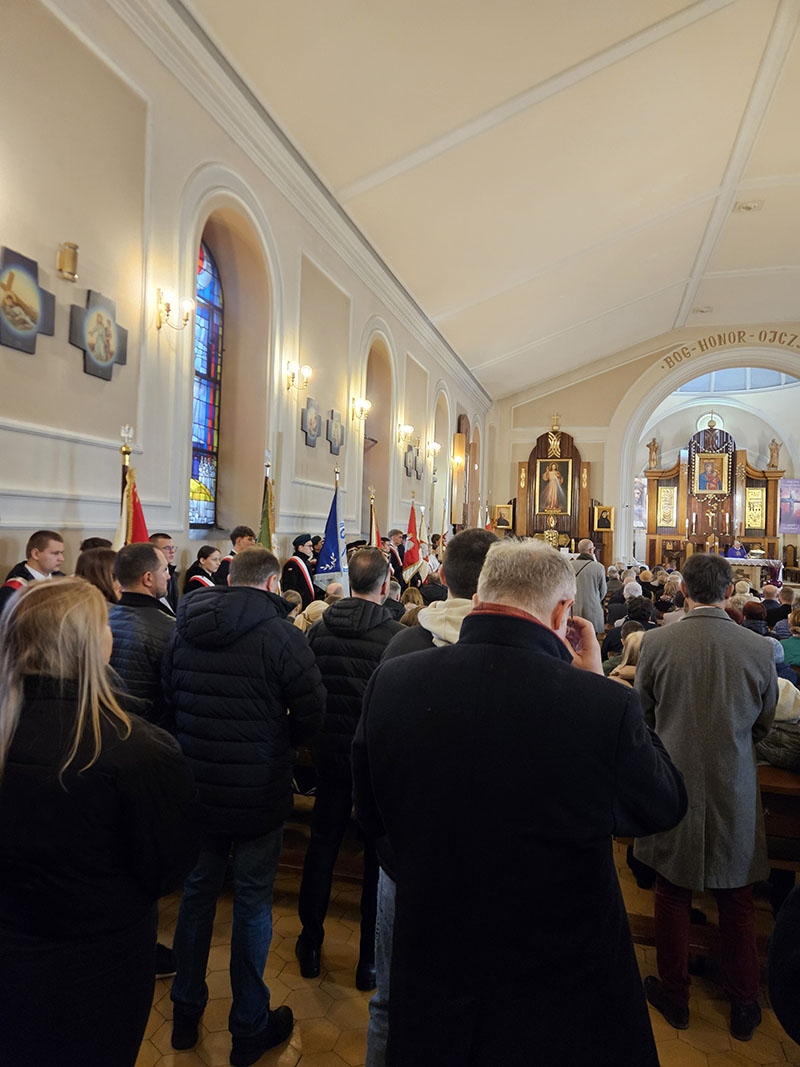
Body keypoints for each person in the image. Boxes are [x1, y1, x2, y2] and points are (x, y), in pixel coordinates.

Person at [353, 539, 686, 1067]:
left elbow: (371, 815)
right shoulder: (602, 706)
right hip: (558, 986)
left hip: (435, 967)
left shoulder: (393, 682)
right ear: (562, 612)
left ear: (480, 595)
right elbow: (663, 807)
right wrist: (599, 682)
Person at [0, 579, 197, 1067]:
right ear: (88, 644)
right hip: (100, 960)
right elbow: (168, 868)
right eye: (105, 623)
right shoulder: (138, 748)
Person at [164, 547, 325, 1064]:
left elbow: (170, 694)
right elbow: (312, 710)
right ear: (274, 584)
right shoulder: (281, 634)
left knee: (196, 897)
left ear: (231, 577)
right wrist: (284, 742)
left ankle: (185, 1015)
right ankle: (248, 1025)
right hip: (257, 788)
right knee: (253, 903)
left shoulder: (185, 624)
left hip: (196, 784)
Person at [633, 552, 777, 1041]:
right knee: (737, 897)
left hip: (672, 778)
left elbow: (644, 715)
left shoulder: (656, 642)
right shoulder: (758, 649)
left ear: (685, 590)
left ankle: (675, 998)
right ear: (728, 590)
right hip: (733, 779)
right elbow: (764, 722)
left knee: (671, 891)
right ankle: (743, 1005)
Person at [366, 527, 497, 1064]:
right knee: (483, 997)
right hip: (487, 857)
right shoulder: (519, 653)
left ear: (441, 576)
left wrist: (385, 837)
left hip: (408, 851)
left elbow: (370, 756)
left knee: (391, 999)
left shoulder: (402, 643)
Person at [296, 549, 403, 991]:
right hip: (372, 760)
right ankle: (369, 962)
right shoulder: (396, 637)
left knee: (321, 846)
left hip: (327, 755)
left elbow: (307, 688)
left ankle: (310, 943)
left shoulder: (318, 630)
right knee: (376, 862)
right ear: (384, 586)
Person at [108, 543, 175, 732]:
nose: (168, 575)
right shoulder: (169, 628)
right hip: (151, 733)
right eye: (164, 570)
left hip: (107, 728)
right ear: (148, 578)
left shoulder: (101, 618)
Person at [0, 529, 65, 611]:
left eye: (61, 553)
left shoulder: (63, 581)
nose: (61, 559)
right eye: (55, 553)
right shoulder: (14, 589)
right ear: (36, 554)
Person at [570, 538, 606, 633]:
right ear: (591, 550)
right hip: (592, 608)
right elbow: (603, 591)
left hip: (573, 608)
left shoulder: (569, 565)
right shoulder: (599, 567)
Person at [281, 533, 317, 609]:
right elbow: (290, 588)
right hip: (299, 605)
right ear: (300, 547)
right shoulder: (292, 564)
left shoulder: (306, 562)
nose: (312, 549)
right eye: (309, 546)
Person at [149, 533, 179, 612]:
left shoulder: (173, 573)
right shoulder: (152, 576)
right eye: (167, 548)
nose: (172, 551)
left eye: (173, 547)